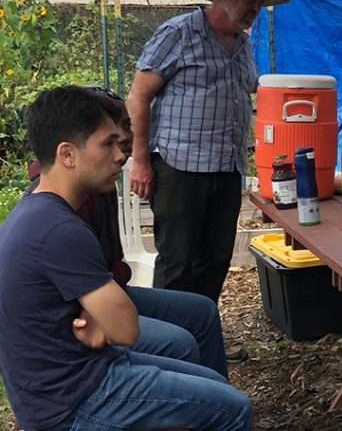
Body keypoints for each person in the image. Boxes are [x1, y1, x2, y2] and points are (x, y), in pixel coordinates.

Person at [0, 86, 251, 430]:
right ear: (67, 155)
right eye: (107, 144)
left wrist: (103, 320)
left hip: (80, 373)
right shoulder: (58, 228)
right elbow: (127, 328)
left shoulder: (41, 211)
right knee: (233, 409)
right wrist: (106, 323)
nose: (121, 156)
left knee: (215, 385)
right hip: (72, 402)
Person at [27, 86, 230, 378]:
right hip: (80, 315)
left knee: (202, 311)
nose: (124, 143)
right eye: (112, 135)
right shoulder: (56, 207)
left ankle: (215, 400)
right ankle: (189, 408)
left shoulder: (98, 182)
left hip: (110, 291)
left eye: (125, 126)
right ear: (70, 152)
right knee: (178, 343)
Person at [127, 0, 291, 306]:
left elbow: (252, 92)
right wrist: (139, 159)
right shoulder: (179, 33)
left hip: (228, 168)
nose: (256, 9)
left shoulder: (244, 44)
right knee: (178, 261)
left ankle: (202, 335)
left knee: (216, 259)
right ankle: (170, 345)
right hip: (179, 167)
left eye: (261, 3)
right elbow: (138, 96)